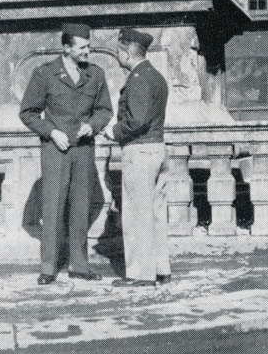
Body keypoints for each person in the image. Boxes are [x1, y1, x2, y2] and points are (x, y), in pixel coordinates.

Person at [20, 23, 112, 284]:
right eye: (82, 47)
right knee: (53, 207)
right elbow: (28, 112)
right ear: (66, 47)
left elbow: (104, 110)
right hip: (55, 150)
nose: (87, 51)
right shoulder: (45, 74)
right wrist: (51, 132)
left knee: (81, 207)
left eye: (88, 46)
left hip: (83, 150)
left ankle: (79, 265)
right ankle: (48, 267)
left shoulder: (96, 74)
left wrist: (91, 126)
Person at [104, 28, 171, 287]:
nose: (118, 55)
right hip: (157, 149)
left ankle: (141, 274)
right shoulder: (156, 77)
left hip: (139, 152)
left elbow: (137, 120)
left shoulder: (138, 79)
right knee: (156, 214)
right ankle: (160, 268)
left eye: (120, 50)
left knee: (136, 215)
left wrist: (113, 131)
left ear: (128, 52)